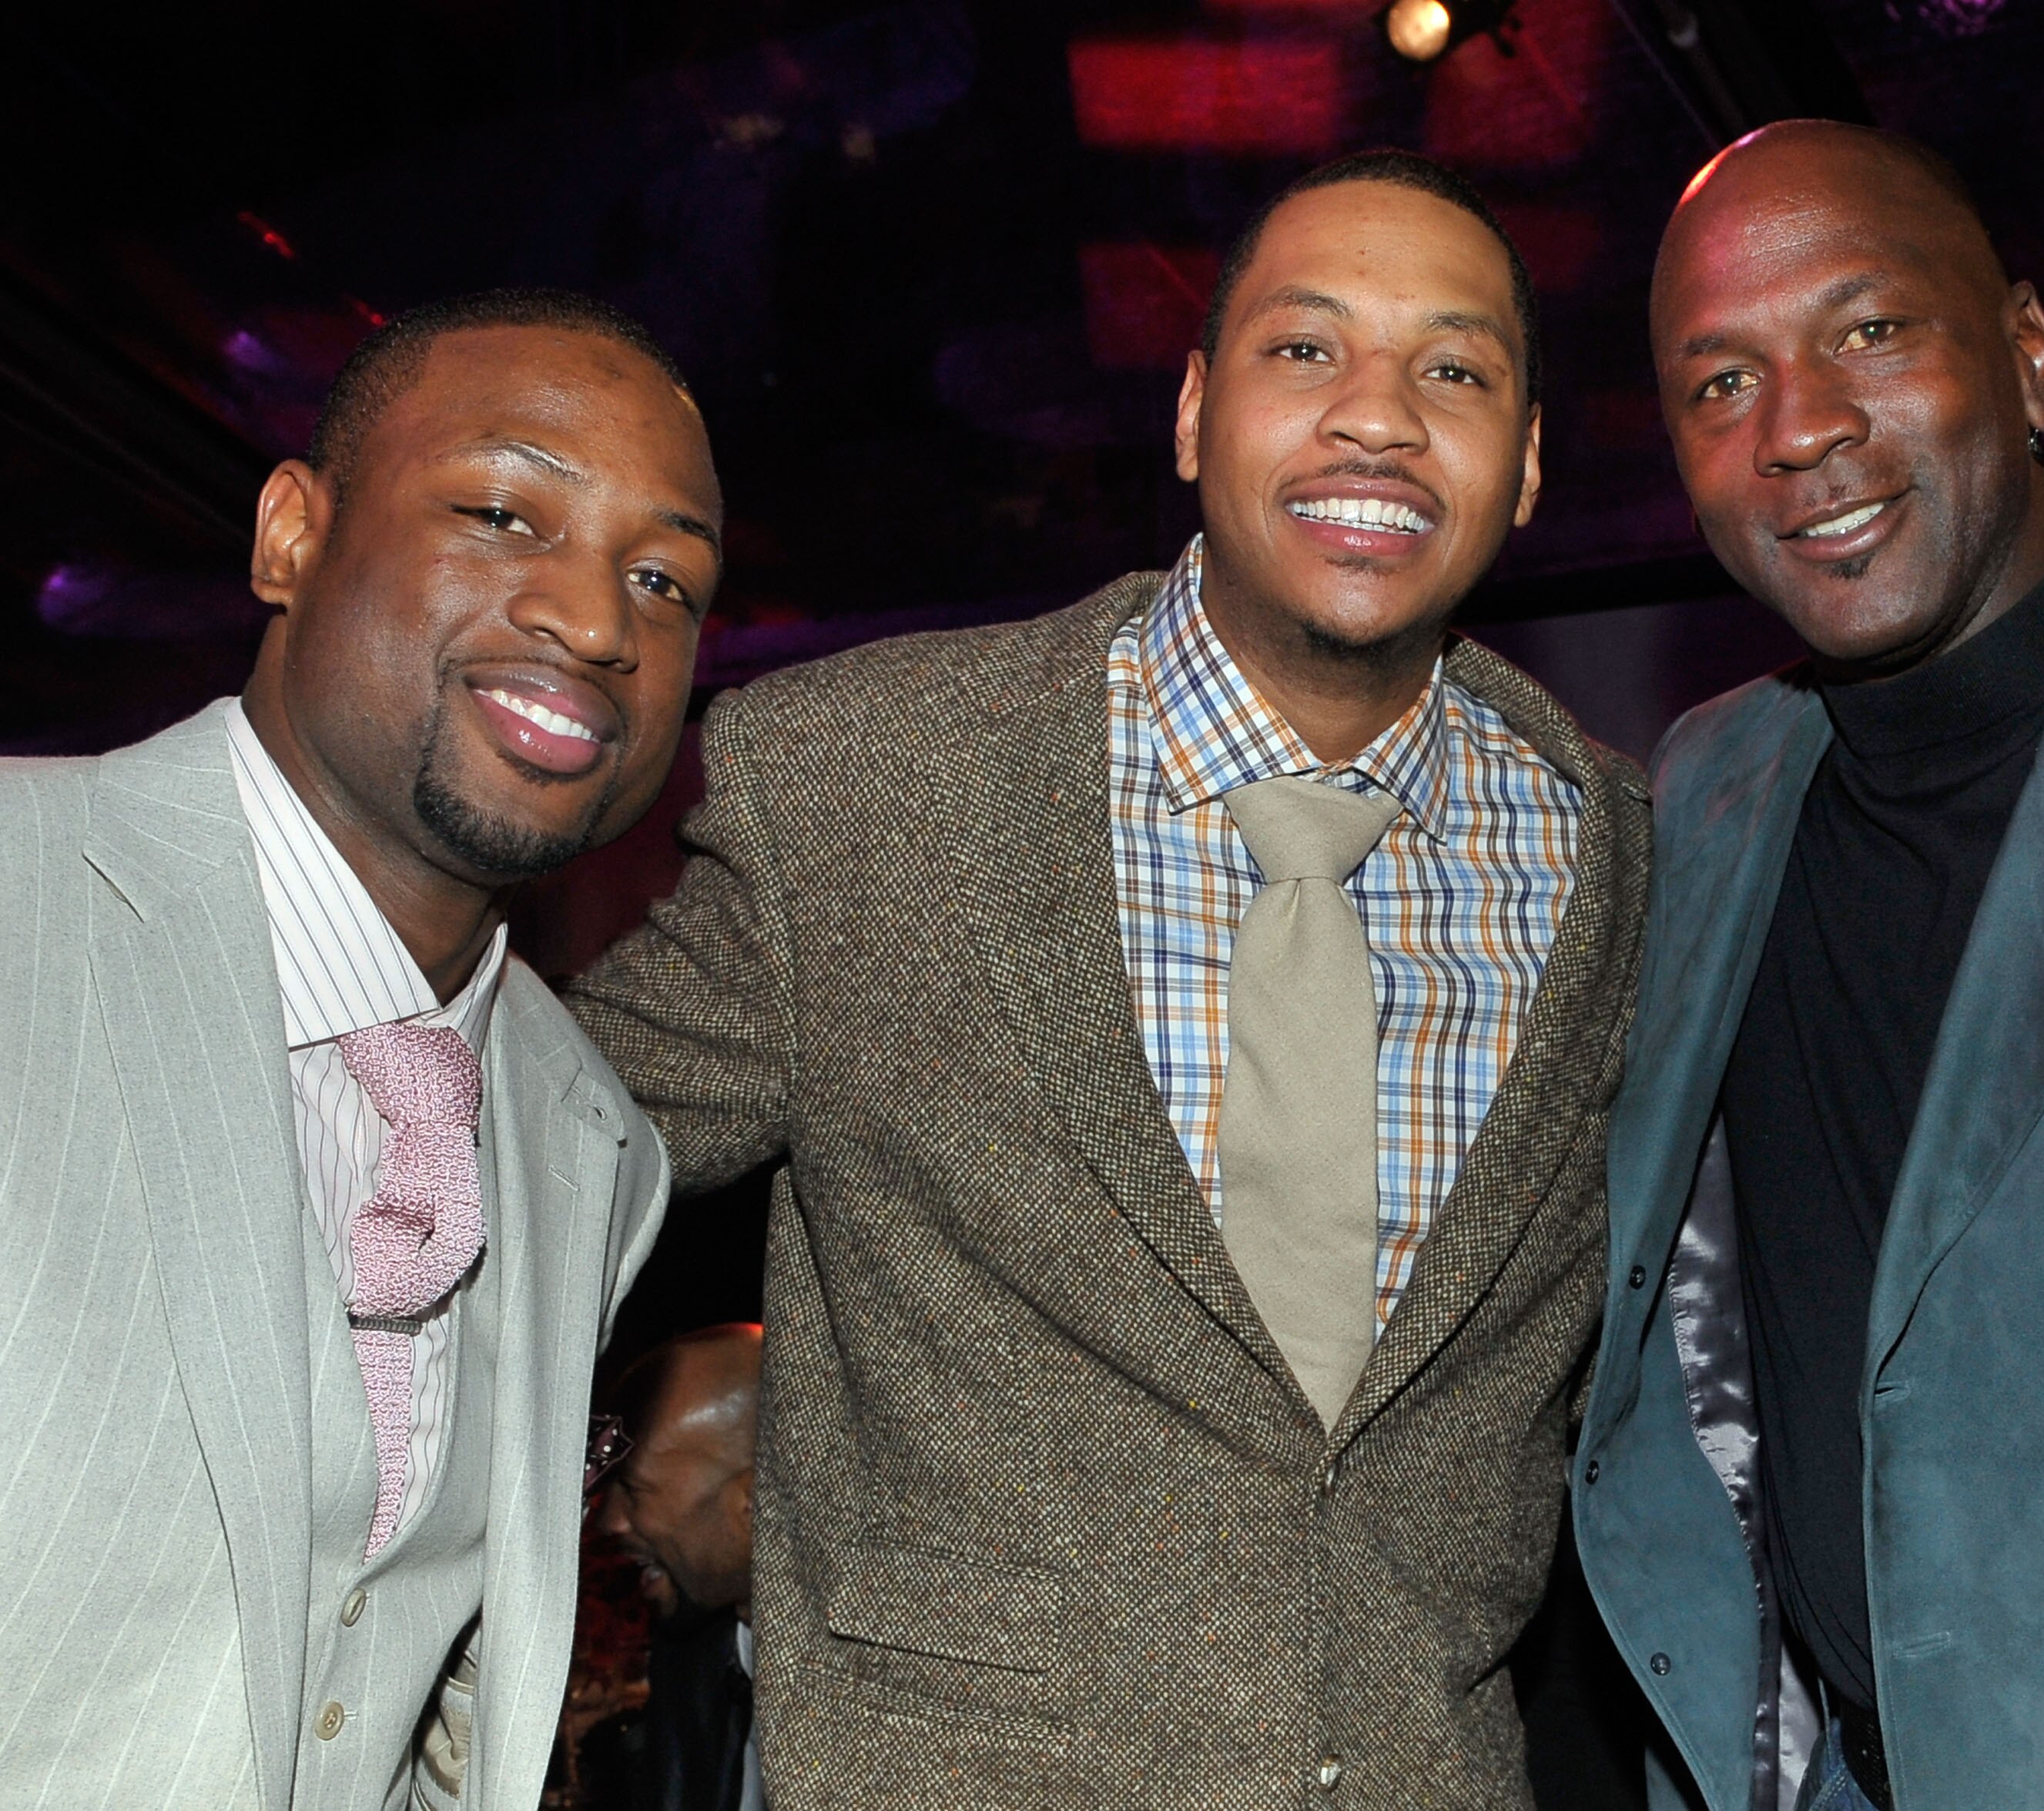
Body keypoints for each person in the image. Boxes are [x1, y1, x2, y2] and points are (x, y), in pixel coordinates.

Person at [568, 149, 1650, 1807]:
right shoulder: (863, 784)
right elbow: (510, 1162)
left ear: (1524, 472)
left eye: (1456, 367)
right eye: (1308, 349)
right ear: (1190, 412)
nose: (1380, 414)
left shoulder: (1626, 857)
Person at [1573, 119, 2044, 1811]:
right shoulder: (1702, 798)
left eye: (1871, 329)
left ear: (2033, 356)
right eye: (1717, 383)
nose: (1802, 428)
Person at [0, 289, 719, 1809]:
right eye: (504, 512)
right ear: (289, 536)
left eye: (662, 577)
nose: (597, 621)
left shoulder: (589, 1135)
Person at [590, 1323, 766, 1811]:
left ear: (756, 1501)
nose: (610, 1520)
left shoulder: (885, 1685)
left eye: (637, 1490)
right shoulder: (688, 1661)